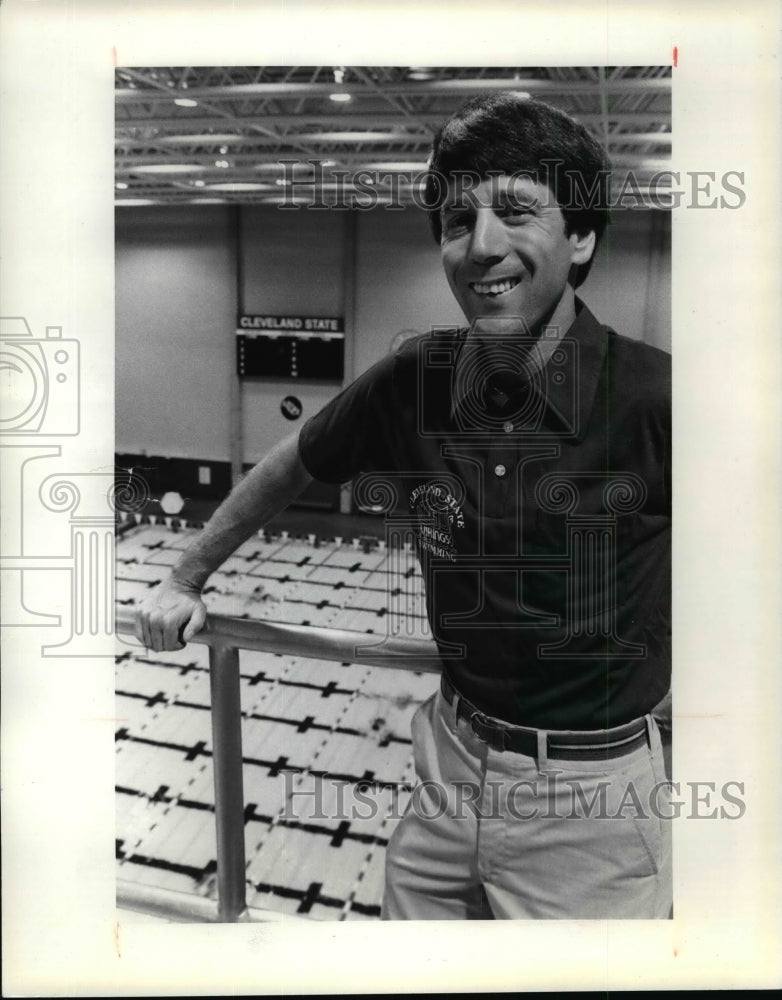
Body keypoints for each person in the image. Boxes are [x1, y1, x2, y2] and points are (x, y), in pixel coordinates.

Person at [135, 93, 672, 920]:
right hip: (446, 767)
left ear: (583, 237)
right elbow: (290, 463)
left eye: (517, 212)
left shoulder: (658, 398)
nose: (481, 245)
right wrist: (185, 575)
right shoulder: (417, 377)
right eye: (459, 221)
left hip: (590, 804)